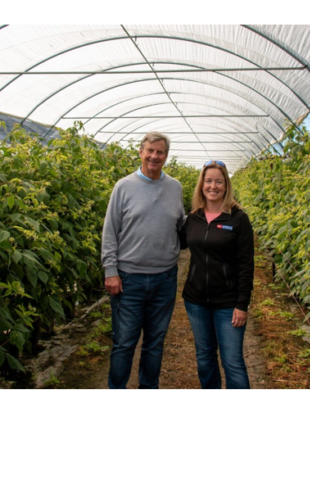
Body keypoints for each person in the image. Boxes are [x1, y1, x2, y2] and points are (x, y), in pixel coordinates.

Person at [101, 131, 185, 389]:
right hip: (129, 280)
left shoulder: (175, 187)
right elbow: (110, 231)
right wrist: (110, 271)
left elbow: (181, 226)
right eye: (150, 150)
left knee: (155, 342)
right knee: (124, 342)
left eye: (160, 152)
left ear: (166, 156)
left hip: (165, 278)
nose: (154, 156)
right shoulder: (124, 186)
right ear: (140, 152)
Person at [180, 160, 254, 389]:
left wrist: (242, 304)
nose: (213, 186)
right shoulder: (193, 218)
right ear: (201, 185)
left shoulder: (238, 219)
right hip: (196, 301)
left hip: (228, 303)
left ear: (226, 185)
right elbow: (175, 243)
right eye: (208, 181)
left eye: (218, 181)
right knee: (204, 357)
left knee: (232, 362)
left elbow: (245, 264)